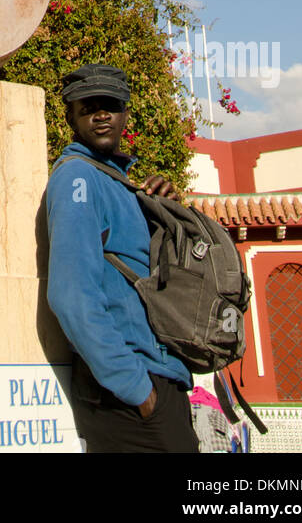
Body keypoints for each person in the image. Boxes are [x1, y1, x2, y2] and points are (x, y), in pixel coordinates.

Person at [45, 63, 199, 453]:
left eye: (111, 105)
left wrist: (165, 213)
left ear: (126, 113)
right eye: (88, 107)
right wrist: (136, 389)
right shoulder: (77, 179)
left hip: (158, 381)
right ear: (70, 117)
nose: (101, 115)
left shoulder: (120, 182)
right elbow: (71, 296)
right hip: (129, 392)